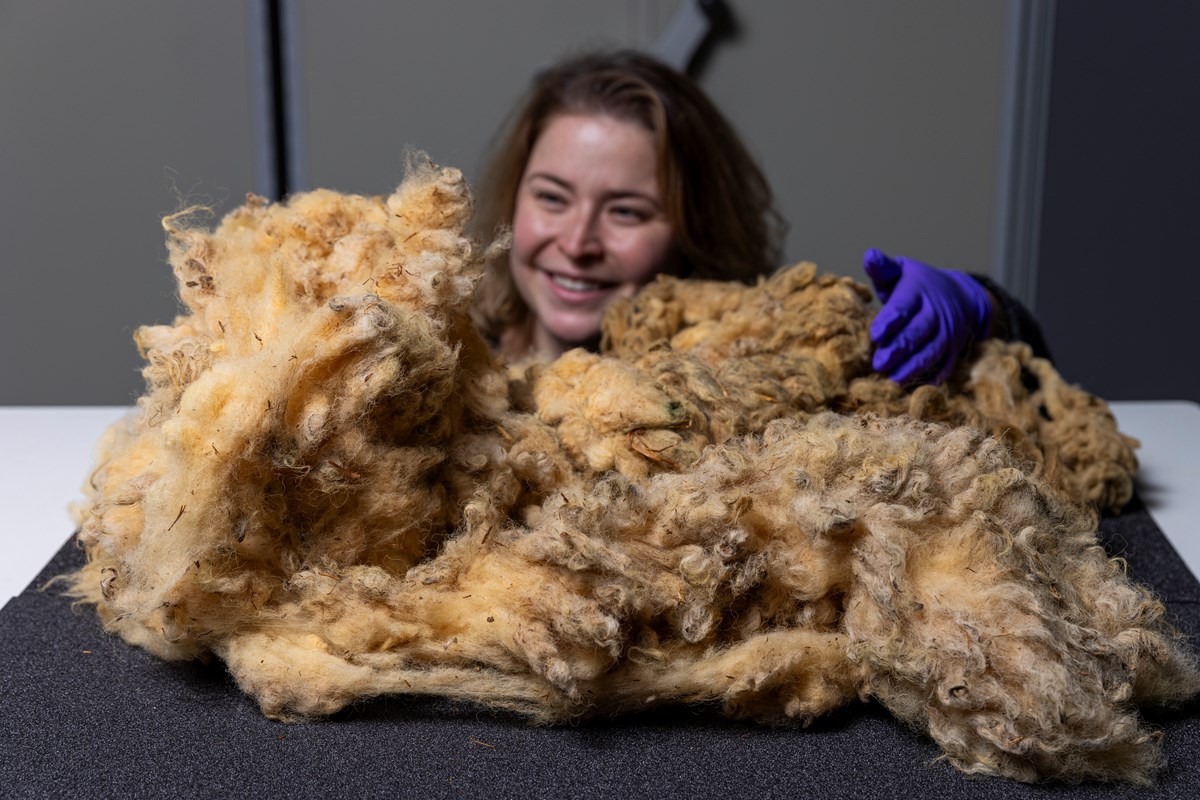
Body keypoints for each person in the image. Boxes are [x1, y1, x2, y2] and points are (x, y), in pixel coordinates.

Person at [471, 49, 1048, 382]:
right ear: (513, 199)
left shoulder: (765, 369)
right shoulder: (448, 359)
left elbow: (1041, 392)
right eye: (551, 197)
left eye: (626, 211)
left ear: (692, 231)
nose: (577, 242)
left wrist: (981, 309)